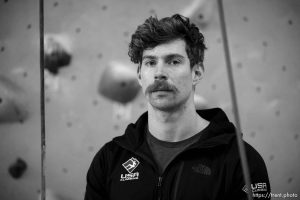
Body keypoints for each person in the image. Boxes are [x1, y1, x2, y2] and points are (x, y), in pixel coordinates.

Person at [84, 14, 271, 200]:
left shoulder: (240, 161)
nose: (159, 73)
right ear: (140, 75)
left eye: (173, 61)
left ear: (196, 72)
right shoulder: (109, 160)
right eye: (150, 62)